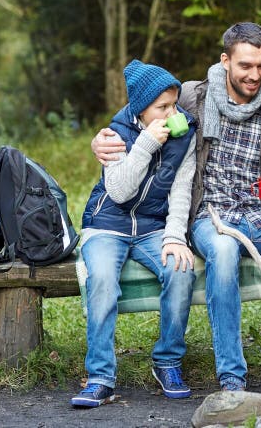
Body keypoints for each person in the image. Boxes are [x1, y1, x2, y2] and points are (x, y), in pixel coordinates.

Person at [92, 23, 261, 391]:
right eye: (245, 65)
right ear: (225, 61)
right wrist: (103, 138)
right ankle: (232, 377)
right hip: (211, 217)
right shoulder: (194, 96)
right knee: (223, 252)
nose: (254, 74)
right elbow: (142, 106)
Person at [72, 59, 197, 408]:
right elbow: (120, 192)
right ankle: (100, 377)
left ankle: (167, 361)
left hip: (152, 227)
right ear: (141, 110)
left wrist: (174, 237)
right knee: (101, 282)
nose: (172, 112)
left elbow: (182, 190)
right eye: (162, 107)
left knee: (180, 269)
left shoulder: (183, 132)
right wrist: (144, 145)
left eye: (174, 104)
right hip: (106, 225)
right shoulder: (115, 134)